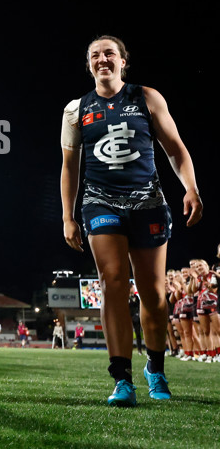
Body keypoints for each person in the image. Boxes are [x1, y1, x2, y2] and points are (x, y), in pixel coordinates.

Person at [61, 35, 203, 407]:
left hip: (147, 203)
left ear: (124, 61)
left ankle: (155, 368)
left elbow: (175, 149)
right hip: (100, 202)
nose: (102, 59)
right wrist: (67, 216)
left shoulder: (147, 97)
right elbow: (69, 167)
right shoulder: (76, 109)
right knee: (112, 283)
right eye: (95, 55)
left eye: (109, 53)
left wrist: (191, 188)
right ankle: (121, 377)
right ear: (88, 64)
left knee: (154, 294)